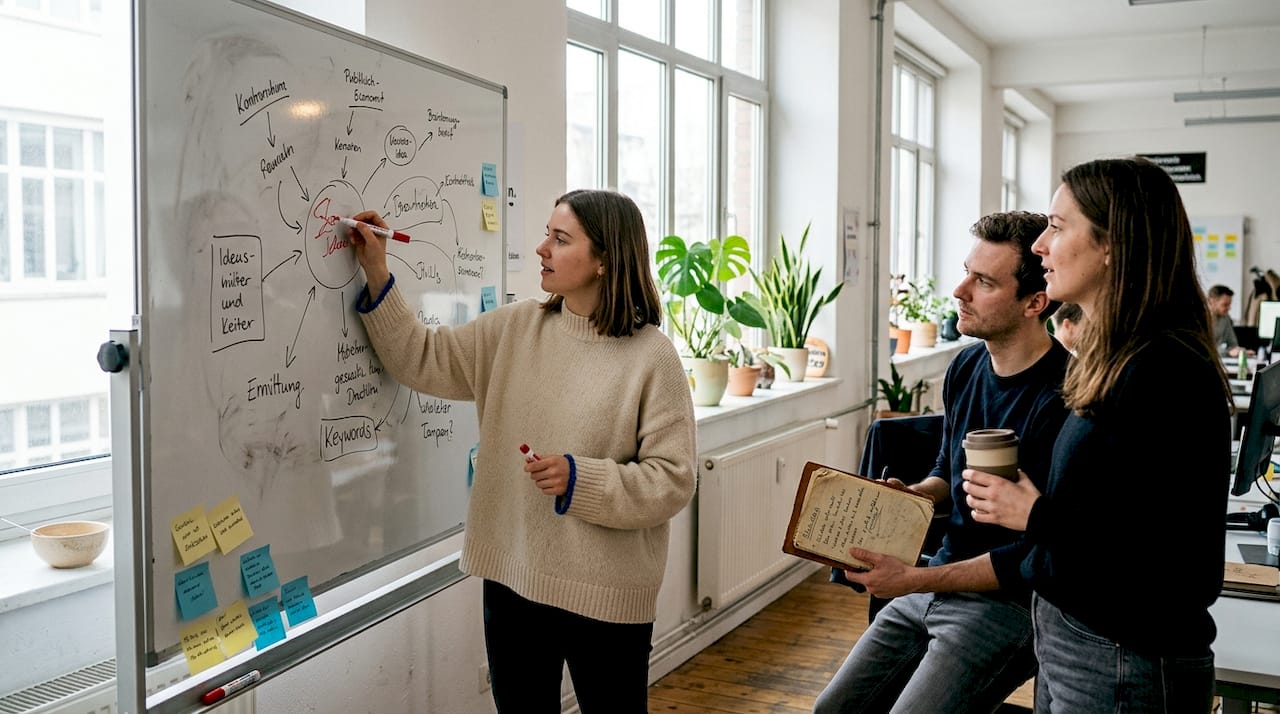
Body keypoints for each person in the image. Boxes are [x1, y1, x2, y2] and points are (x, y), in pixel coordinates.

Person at [348, 189, 697, 713]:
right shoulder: (514, 329)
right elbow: (419, 358)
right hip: (514, 581)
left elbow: (672, 479)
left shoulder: (653, 357)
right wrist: (377, 270)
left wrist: (581, 480)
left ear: (604, 260)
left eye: (560, 239)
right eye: (546, 234)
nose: (541, 248)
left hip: (606, 596)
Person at [963, 157, 1232, 712]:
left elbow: (1163, 554)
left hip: (1122, 656)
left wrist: (1031, 514)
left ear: (1113, 245)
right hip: (1078, 638)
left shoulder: (1162, 368)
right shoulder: (1115, 356)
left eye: (1058, 228)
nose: (1040, 245)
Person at [814, 211, 1071, 714]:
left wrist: (911, 579)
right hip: (937, 578)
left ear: (1034, 303)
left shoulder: (1063, 398)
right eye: (966, 272)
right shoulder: (966, 365)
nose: (959, 290)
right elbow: (947, 473)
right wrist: (917, 494)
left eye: (983, 281)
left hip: (1005, 605)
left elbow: (1028, 559)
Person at [1208, 284, 1250, 357]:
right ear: (1212, 302)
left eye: (1229, 305)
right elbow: (1204, 349)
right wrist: (1228, 352)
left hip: (1222, 360)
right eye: (1225, 305)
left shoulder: (1225, 318)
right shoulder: (1199, 320)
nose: (1229, 308)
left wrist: (1241, 351)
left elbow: (1233, 344)